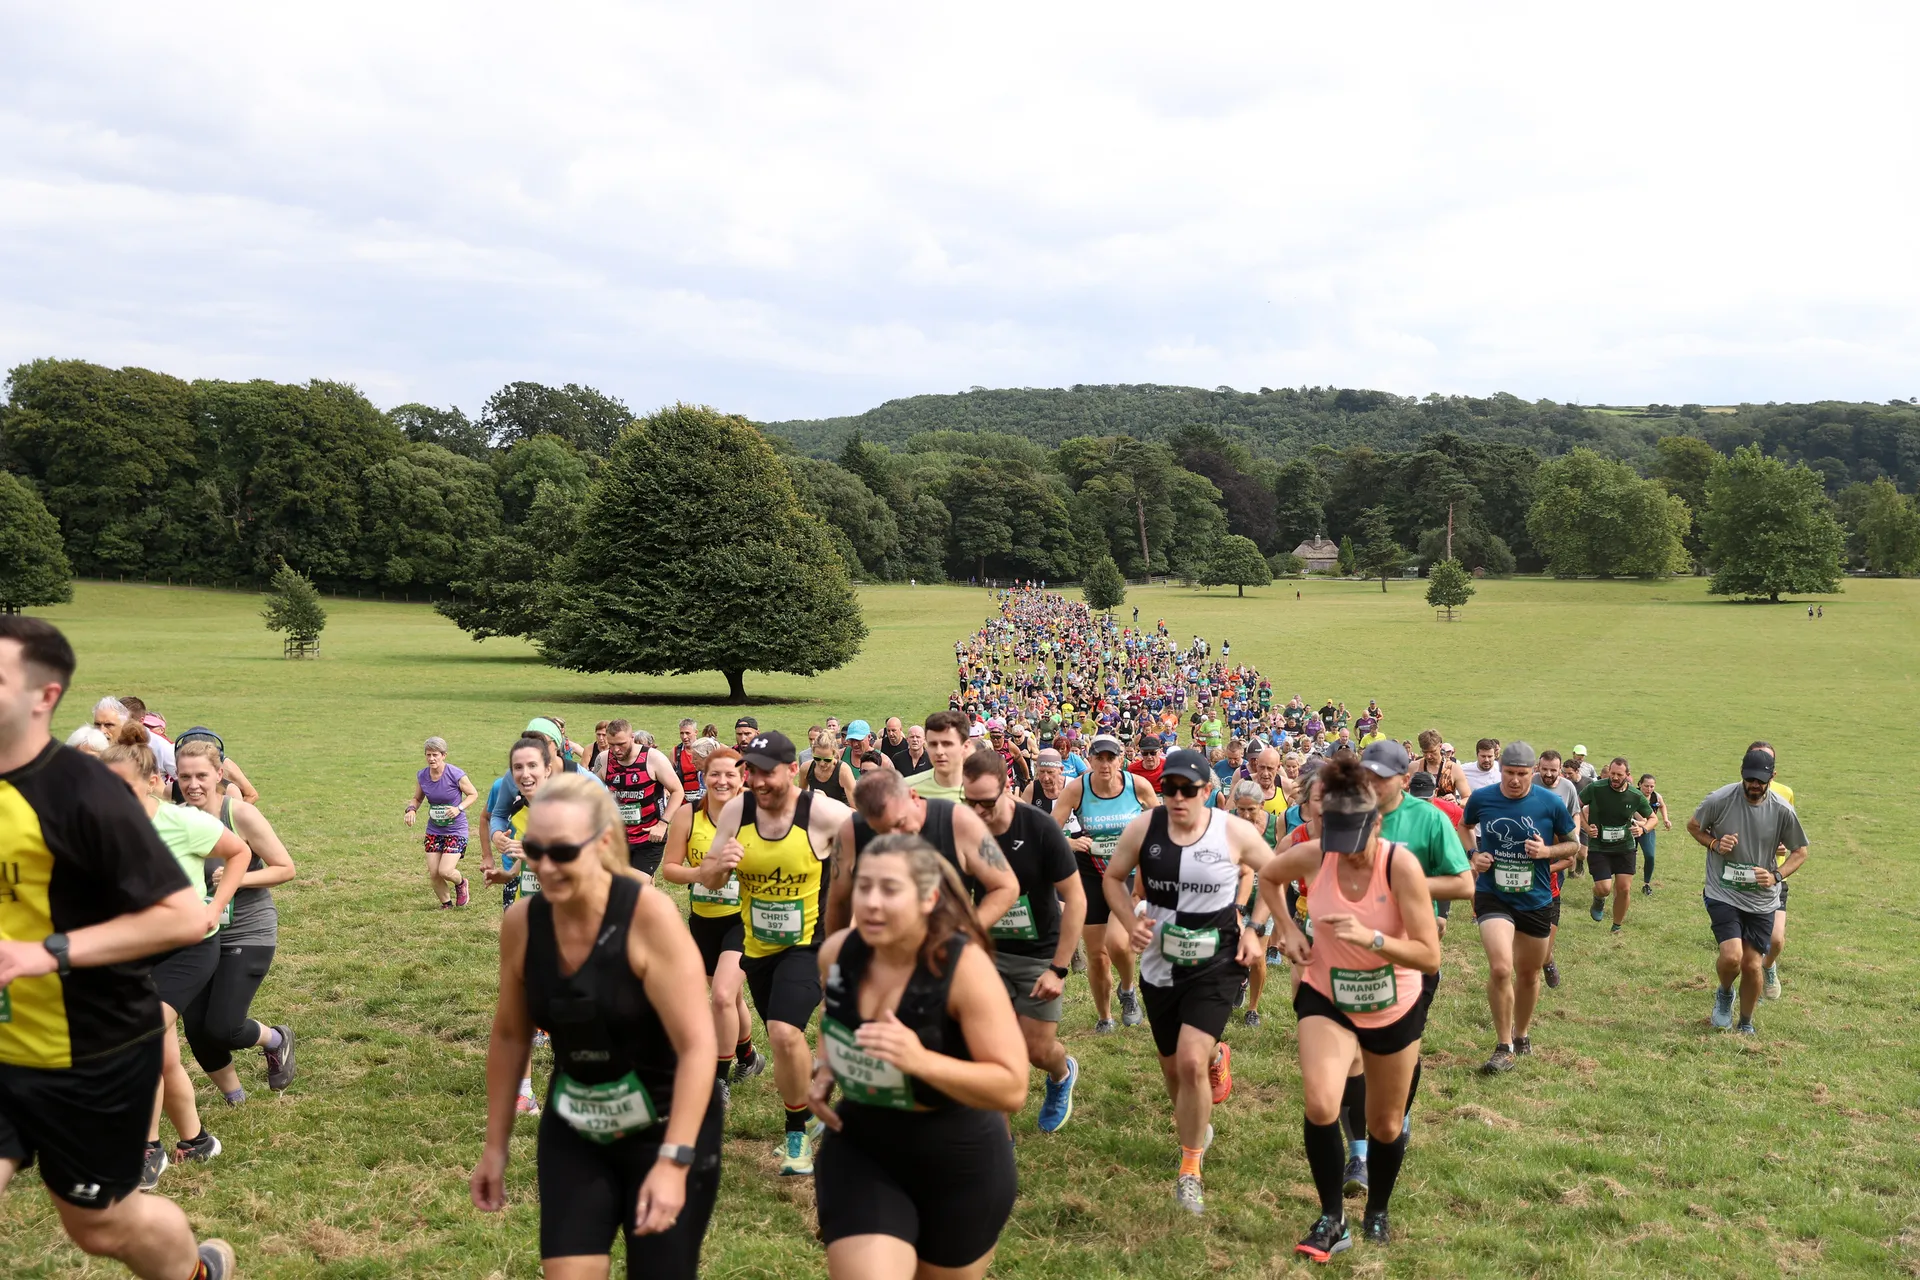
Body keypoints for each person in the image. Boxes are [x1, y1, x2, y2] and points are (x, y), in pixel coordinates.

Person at [0, 617, 238, 1279]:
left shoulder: (86, 796)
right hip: (4, 1047)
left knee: (104, 1227)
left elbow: (181, 916)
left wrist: (46, 952)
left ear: (43, 697)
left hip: (91, 1051)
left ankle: (198, 1270)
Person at [470, 774, 722, 1279]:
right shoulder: (522, 922)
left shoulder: (646, 915)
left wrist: (674, 1162)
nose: (544, 865)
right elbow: (511, 1034)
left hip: (665, 1123)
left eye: (562, 851)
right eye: (536, 849)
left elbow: (698, 1046)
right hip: (577, 1122)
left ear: (602, 843)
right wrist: (495, 1147)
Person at [808, 835, 1027, 1280]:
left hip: (958, 1157)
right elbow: (835, 1017)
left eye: (889, 889)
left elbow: (1012, 1086)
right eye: (863, 886)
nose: (870, 902)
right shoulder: (837, 955)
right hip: (861, 1145)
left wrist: (919, 1059)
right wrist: (825, 1066)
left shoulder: (963, 967)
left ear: (928, 897)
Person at [1261, 756, 1441, 1258]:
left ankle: (1377, 1209)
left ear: (1376, 821)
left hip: (1392, 1002)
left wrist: (1374, 938)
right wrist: (1289, 931)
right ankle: (1331, 1218)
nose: (1346, 851)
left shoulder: (1399, 864)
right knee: (1321, 1103)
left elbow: (1430, 955)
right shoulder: (1317, 854)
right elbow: (1268, 878)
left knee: (1385, 1125)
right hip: (1328, 992)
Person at [1105, 748, 1274, 1215]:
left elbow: (1275, 874)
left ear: (1207, 791)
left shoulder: (1232, 831)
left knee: (1189, 1059)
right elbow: (1114, 879)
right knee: (1174, 1069)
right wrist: (1128, 918)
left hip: (1217, 958)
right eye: (1169, 789)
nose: (1177, 798)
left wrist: (1256, 929)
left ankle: (1190, 1168)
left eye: (1187, 790)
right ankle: (1212, 1069)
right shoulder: (1144, 828)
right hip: (1160, 964)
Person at [98, 723, 251, 1191]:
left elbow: (239, 852)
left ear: (152, 782)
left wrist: (214, 906)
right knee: (163, 1055)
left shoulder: (183, 822)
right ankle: (198, 1140)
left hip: (188, 950)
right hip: (136, 952)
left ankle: (148, 1152)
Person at [699, 731, 853, 1175]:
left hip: (810, 944)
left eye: (768, 771)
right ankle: (812, 1099)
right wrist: (718, 865)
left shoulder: (823, 813)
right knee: (780, 1036)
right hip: (757, 947)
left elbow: (872, 839)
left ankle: (796, 1137)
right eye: (753, 771)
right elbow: (707, 879)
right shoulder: (736, 811)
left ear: (792, 770)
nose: (759, 781)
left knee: (785, 1032)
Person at [960, 751, 1085, 1132]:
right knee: (991, 1047)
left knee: (1036, 1049)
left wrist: (1058, 969)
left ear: (1007, 789)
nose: (977, 811)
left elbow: (1076, 898)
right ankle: (1000, 1137)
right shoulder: (962, 829)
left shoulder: (1040, 828)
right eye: (969, 801)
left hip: (1039, 955)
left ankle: (1061, 1074)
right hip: (990, 955)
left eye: (986, 802)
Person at [175, 740, 297, 1104]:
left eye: (201, 775)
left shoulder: (239, 814)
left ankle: (276, 1039)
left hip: (248, 929)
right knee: (196, 1029)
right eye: (184, 777)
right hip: (197, 934)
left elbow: (285, 868)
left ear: (219, 775)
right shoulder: (175, 818)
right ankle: (236, 1099)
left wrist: (236, 876)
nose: (193, 784)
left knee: (224, 1027)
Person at [1462, 742, 1579, 1074]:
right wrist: (1473, 855)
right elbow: (1465, 826)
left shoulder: (1550, 802)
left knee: (1528, 974)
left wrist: (1546, 852)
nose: (1515, 780)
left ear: (1534, 772)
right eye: (1510, 773)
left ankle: (1522, 1033)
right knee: (1501, 968)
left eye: (1522, 774)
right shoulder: (1483, 799)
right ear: (1501, 769)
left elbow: (1574, 845)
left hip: (1535, 898)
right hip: (1493, 893)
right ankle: (1503, 1046)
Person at [659, 747, 762, 1093]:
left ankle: (719, 1078)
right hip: (703, 918)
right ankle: (748, 1057)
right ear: (704, 777)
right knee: (729, 999)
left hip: (744, 919)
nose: (722, 781)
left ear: (742, 777)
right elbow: (669, 869)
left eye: (730, 774)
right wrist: (702, 873)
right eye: (714, 774)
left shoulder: (756, 812)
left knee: (720, 995)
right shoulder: (689, 815)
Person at [1687, 749, 1808, 1036]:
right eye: (1750, 779)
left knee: (1753, 965)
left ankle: (1746, 1022)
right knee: (1732, 957)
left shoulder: (1782, 810)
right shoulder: (1720, 799)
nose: (1754, 785)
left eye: (1761, 780)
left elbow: (1800, 851)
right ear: (1742, 774)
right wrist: (1715, 844)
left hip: (1762, 898)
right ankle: (1725, 992)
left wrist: (1777, 875)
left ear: (1772, 777)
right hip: (1723, 890)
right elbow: (1693, 826)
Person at [828, 769, 1019, 937]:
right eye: (881, 831)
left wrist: (966, 932)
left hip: (944, 946)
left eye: (900, 823)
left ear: (913, 796)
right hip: (882, 950)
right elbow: (839, 901)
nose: (895, 837)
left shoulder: (958, 822)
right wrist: (837, 961)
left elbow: (1006, 886)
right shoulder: (851, 831)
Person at [1052, 733, 1159, 1033]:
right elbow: (1048, 830)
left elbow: (1163, 823)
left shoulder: (1138, 786)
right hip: (1091, 874)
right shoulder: (1076, 789)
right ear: (1089, 759)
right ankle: (1104, 1015)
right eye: (1098, 757)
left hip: (1127, 875)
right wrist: (1069, 843)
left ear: (1121, 758)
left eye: (1110, 757)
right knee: (1097, 956)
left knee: (1118, 944)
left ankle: (1127, 989)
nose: (1104, 763)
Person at [597, 720, 684, 877]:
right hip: (616, 839)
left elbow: (678, 791)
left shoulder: (653, 758)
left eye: (621, 744)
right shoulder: (603, 760)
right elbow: (589, 790)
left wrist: (663, 824)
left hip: (648, 838)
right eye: (611, 744)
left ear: (632, 737)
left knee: (634, 889)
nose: (616, 750)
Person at [1226, 780, 1279, 1028]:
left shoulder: (1274, 826)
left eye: (1251, 810)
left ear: (1262, 805)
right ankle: (1235, 985)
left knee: (1257, 957)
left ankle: (1253, 1008)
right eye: (1241, 809)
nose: (1246, 815)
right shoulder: (1226, 824)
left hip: (1263, 899)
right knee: (1230, 954)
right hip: (1231, 899)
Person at [1581, 757, 1654, 935]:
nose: (1614, 777)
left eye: (1619, 775)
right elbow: (1576, 806)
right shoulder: (1595, 788)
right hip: (1599, 846)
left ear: (1628, 776)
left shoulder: (1635, 795)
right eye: (1612, 773)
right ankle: (1598, 899)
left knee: (1624, 888)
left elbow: (1653, 818)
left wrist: (1643, 829)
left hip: (1625, 847)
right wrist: (1586, 827)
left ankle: (1616, 926)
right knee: (1604, 888)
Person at [405, 736, 476, 909]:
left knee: (446, 871)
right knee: (435, 873)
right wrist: (411, 809)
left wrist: (458, 808)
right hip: (434, 830)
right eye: (428, 755)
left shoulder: (455, 774)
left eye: (435, 755)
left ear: (444, 755)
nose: (431, 759)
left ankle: (460, 883)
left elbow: (473, 794)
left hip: (456, 829)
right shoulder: (423, 776)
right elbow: (417, 798)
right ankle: (446, 905)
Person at [1533, 751, 1582, 990]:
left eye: (1554, 770)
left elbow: (1569, 858)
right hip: (1522, 886)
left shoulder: (1567, 792)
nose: (1549, 774)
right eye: (1545, 769)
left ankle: (1548, 960)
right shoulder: (1528, 785)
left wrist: (1545, 867)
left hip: (1549, 886)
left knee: (1542, 951)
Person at [1753, 741, 1796, 999]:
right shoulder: (1742, 791)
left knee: (1776, 940)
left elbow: (1792, 832)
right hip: (1745, 877)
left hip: (1775, 875)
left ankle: (1768, 966)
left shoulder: (1785, 793)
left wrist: (1783, 845)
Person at [903, 710, 970, 802]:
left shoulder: (983, 791)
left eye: (947, 744)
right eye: (933, 744)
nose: (939, 752)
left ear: (965, 746)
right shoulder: (907, 789)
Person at [1637, 774, 1671, 897]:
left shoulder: (1656, 797)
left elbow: (1662, 805)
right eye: (1646, 786)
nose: (1649, 789)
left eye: (1652, 786)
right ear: (1639, 784)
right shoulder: (1633, 795)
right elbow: (1642, 818)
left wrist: (1666, 819)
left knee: (1650, 856)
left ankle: (1646, 884)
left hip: (1648, 829)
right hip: (1632, 828)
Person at [804, 734, 858, 804]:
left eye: (827, 760)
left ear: (834, 754)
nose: (822, 763)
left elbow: (856, 809)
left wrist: (827, 802)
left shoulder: (843, 771)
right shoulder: (806, 768)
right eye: (817, 758)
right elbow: (801, 801)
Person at [671, 719, 705, 805]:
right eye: (681, 733)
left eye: (687, 733)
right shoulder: (676, 752)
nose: (684, 737)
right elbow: (669, 776)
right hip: (683, 801)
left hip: (704, 800)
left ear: (696, 732)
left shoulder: (705, 748)